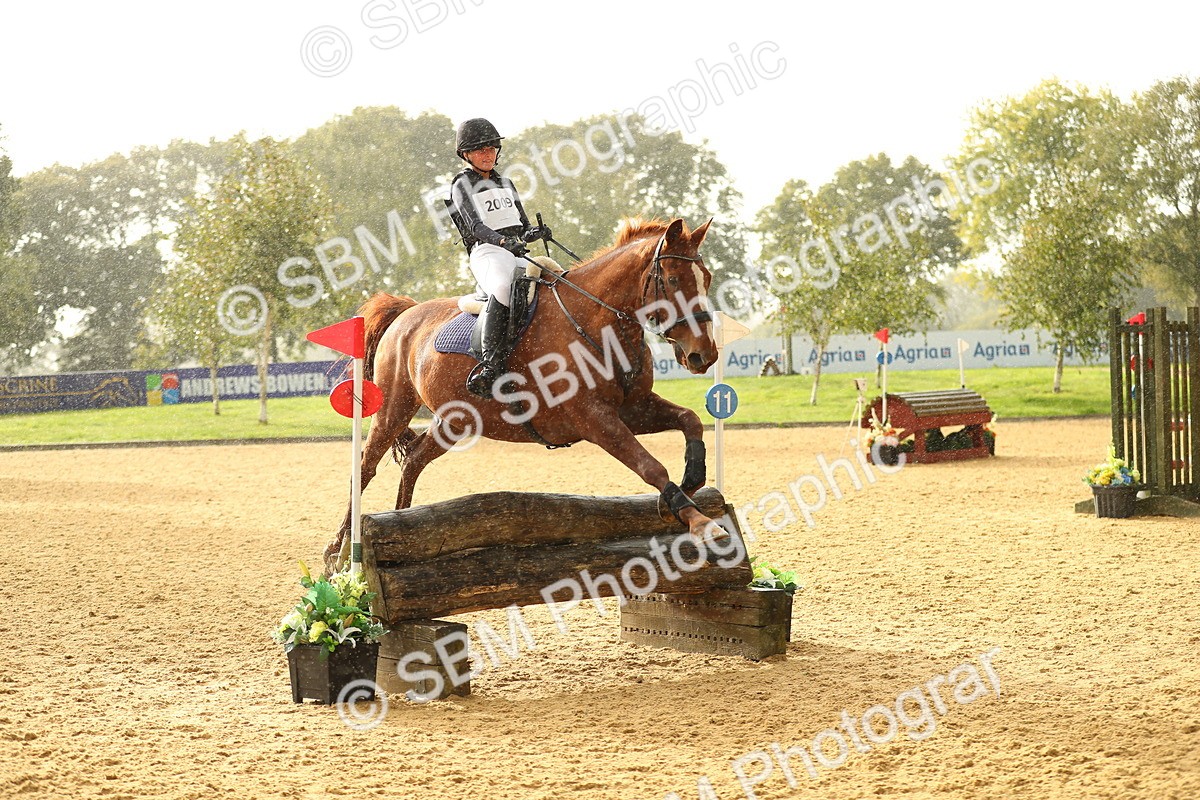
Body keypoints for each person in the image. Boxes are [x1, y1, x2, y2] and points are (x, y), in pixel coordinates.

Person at [449, 118, 551, 398]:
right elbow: (475, 227)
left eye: (493, 148)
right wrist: (504, 242)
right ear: (466, 154)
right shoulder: (461, 183)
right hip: (487, 252)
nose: (489, 154)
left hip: (514, 251)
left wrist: (535, 232)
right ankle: (490, 366)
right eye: (481, 149)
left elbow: (522, 225)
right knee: (503, 287)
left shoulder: (505, 183)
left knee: (557, 282)